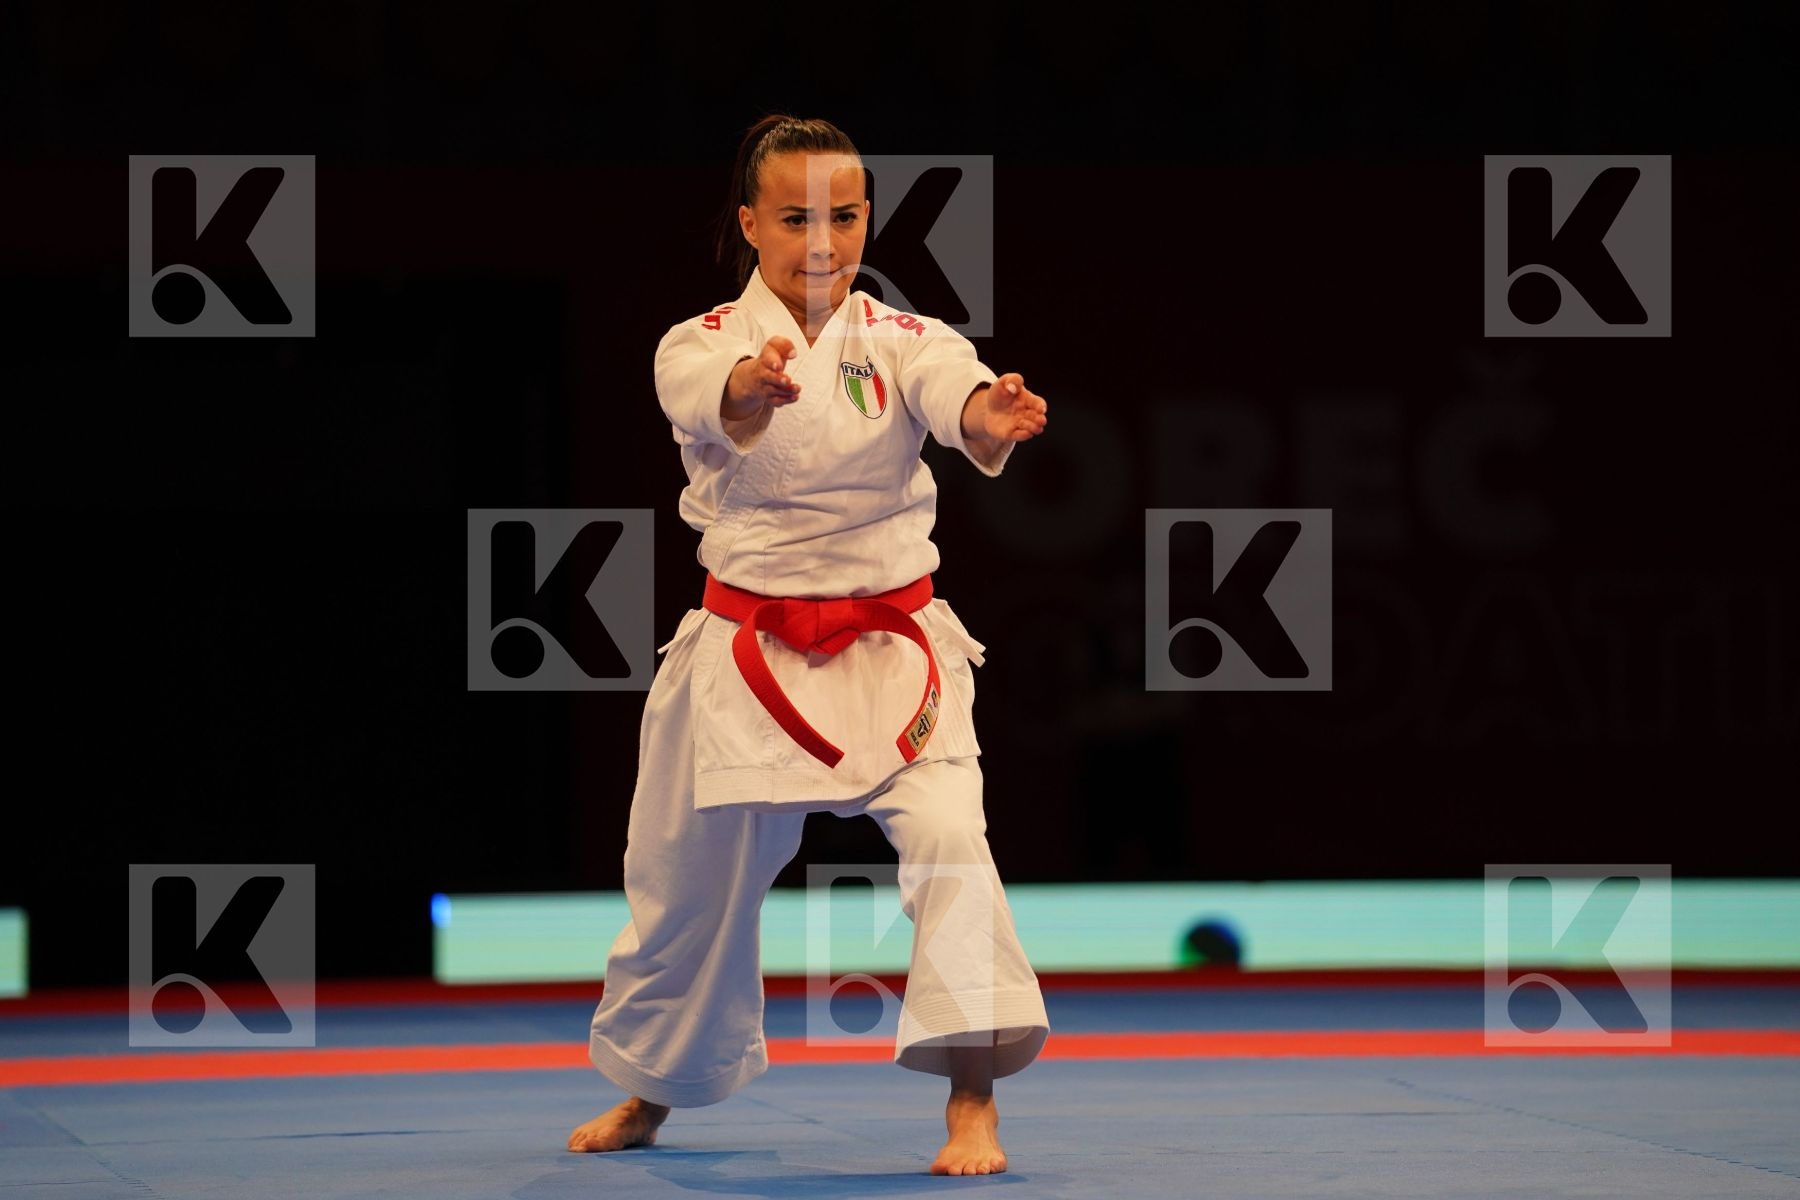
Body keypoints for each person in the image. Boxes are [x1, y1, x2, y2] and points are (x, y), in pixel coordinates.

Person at [567, 114, 1050, 1177]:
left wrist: (986, 414)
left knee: (949, 839)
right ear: (750, 223)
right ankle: (654, 1089)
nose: (822, 242)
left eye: (841, 216)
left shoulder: (904, 339)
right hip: (748, 648)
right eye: (794, 218)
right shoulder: (699, 341)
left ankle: (974, 1099)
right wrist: (754, 390)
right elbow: (713, 401)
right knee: (685, 881)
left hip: (893, 649)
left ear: (866, 216)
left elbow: (953, 392)